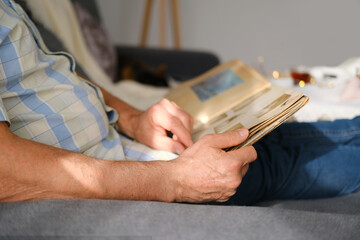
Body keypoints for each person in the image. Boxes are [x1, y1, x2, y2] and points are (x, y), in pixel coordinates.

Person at [0, 0, 359, 204]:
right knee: (279, 161)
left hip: (128, 150)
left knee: (275, 133)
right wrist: (174, 180)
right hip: (126, 183)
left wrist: (132, 117)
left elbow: (59, 71)